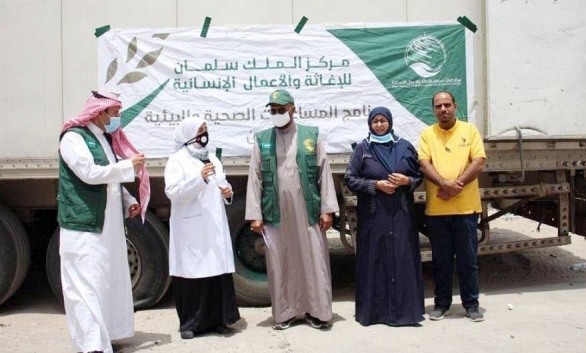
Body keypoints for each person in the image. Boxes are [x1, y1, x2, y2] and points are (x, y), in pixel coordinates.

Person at [57, 91, 149, 353]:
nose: (117, 119)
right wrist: (129, 166)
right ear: (100, 113)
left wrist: (128, 199)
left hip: (108, 228)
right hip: (84, 227)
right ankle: (92, 346)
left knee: (106, 282)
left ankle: (105, 337)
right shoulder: (73, 138)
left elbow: (111, 180)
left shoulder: (104, 140)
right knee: (85, 286)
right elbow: (89, 174)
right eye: (115, 114)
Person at [245, 89, 339, 330]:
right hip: (275, 210)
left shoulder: (310, 135)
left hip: (307, 207)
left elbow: (324, 172)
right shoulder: (262, 139)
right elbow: (254, 178)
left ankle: (317, 312)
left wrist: (327, 209)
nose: (277, 114)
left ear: (293, 109)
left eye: (281, 109)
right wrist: (254, 214)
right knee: (280, 259)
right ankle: (286, 313)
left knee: (313, 257)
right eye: (273, 110)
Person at [345, 107, 425, 326]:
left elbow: (419, 176)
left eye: (383, 121)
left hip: (401, 215)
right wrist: (375, 185)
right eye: (375, 121)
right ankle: (375, 313)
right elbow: (350, 179)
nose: (379, 125)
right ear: (370, 124)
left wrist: (406, 182)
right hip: (374, 216)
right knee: (375, 260)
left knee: (402, 258)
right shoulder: (362, 149)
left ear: (390, 122)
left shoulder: (405, 147)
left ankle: (405, 313)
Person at [164, 117, 240, 339]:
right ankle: (190, 324)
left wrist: (228, 193)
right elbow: (173, 191)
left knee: (216, 272)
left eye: (206, 130)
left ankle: (219, 321)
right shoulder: (177, 160)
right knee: (193, 274)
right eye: (200, 130)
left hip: (214, 226)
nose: (204, 134)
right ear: (188, 133)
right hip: (191, 228)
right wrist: (199, 179)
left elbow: (222, 183)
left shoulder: (212, 158)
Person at [417, 91, 487, 322]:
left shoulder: (470, 130)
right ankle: (442, 304)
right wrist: (444, 184)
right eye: (439, 106)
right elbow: (424, 163)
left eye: (447, 105)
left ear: (455, 106)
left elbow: (478, 161)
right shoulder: (428, 134)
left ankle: (471, 304)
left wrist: (455, 185)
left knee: (468, 261)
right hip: (437, 212)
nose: (443, 109)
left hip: (466, 210)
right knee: (441, 262)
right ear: (434, 109)